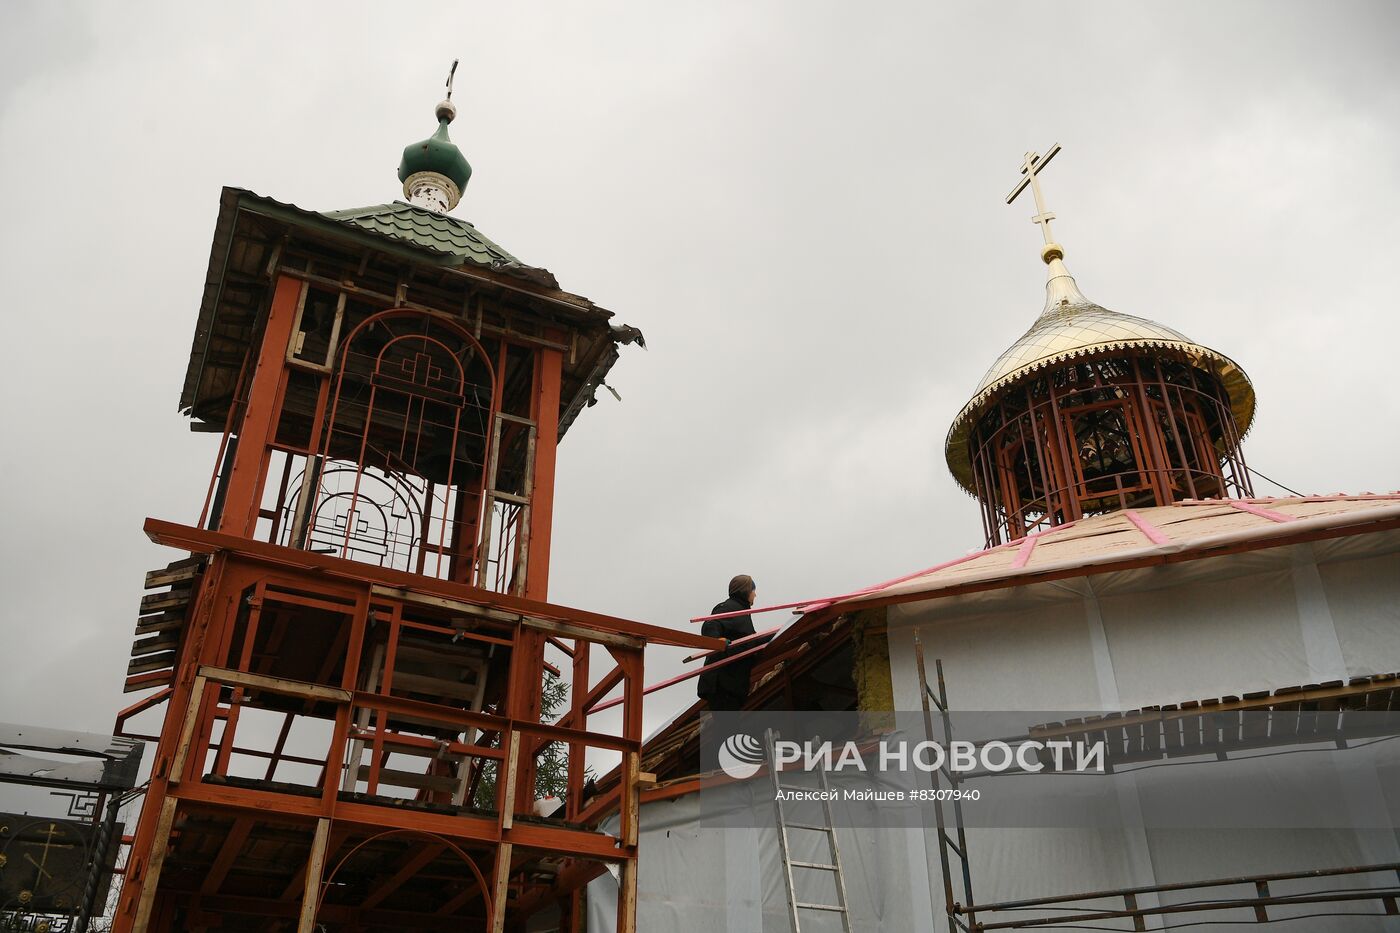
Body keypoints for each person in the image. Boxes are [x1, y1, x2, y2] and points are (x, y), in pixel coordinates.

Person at [697, 574, 758, 711]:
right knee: (728, 730)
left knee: (730, 730)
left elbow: (750, 641)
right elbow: (710, 624)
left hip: (732, 685)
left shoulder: (742, 613)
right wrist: (716, 641)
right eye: (753, 590)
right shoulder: (728, 607)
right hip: (723, 684)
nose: (755, 595)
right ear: (746, 591)